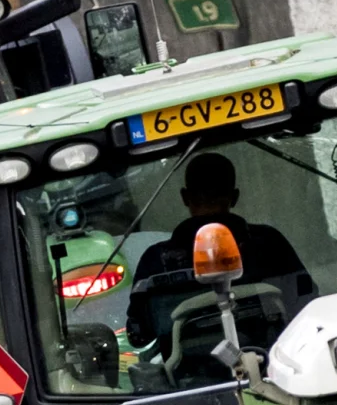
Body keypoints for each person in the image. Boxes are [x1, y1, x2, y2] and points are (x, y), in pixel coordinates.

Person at [126, 151, 315, 366]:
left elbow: (138, 336)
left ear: (185, 197)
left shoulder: (154, 262)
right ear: (234, 197)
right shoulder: (270, 244)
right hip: (274, 371)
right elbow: (306, 305)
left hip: (186, 386)